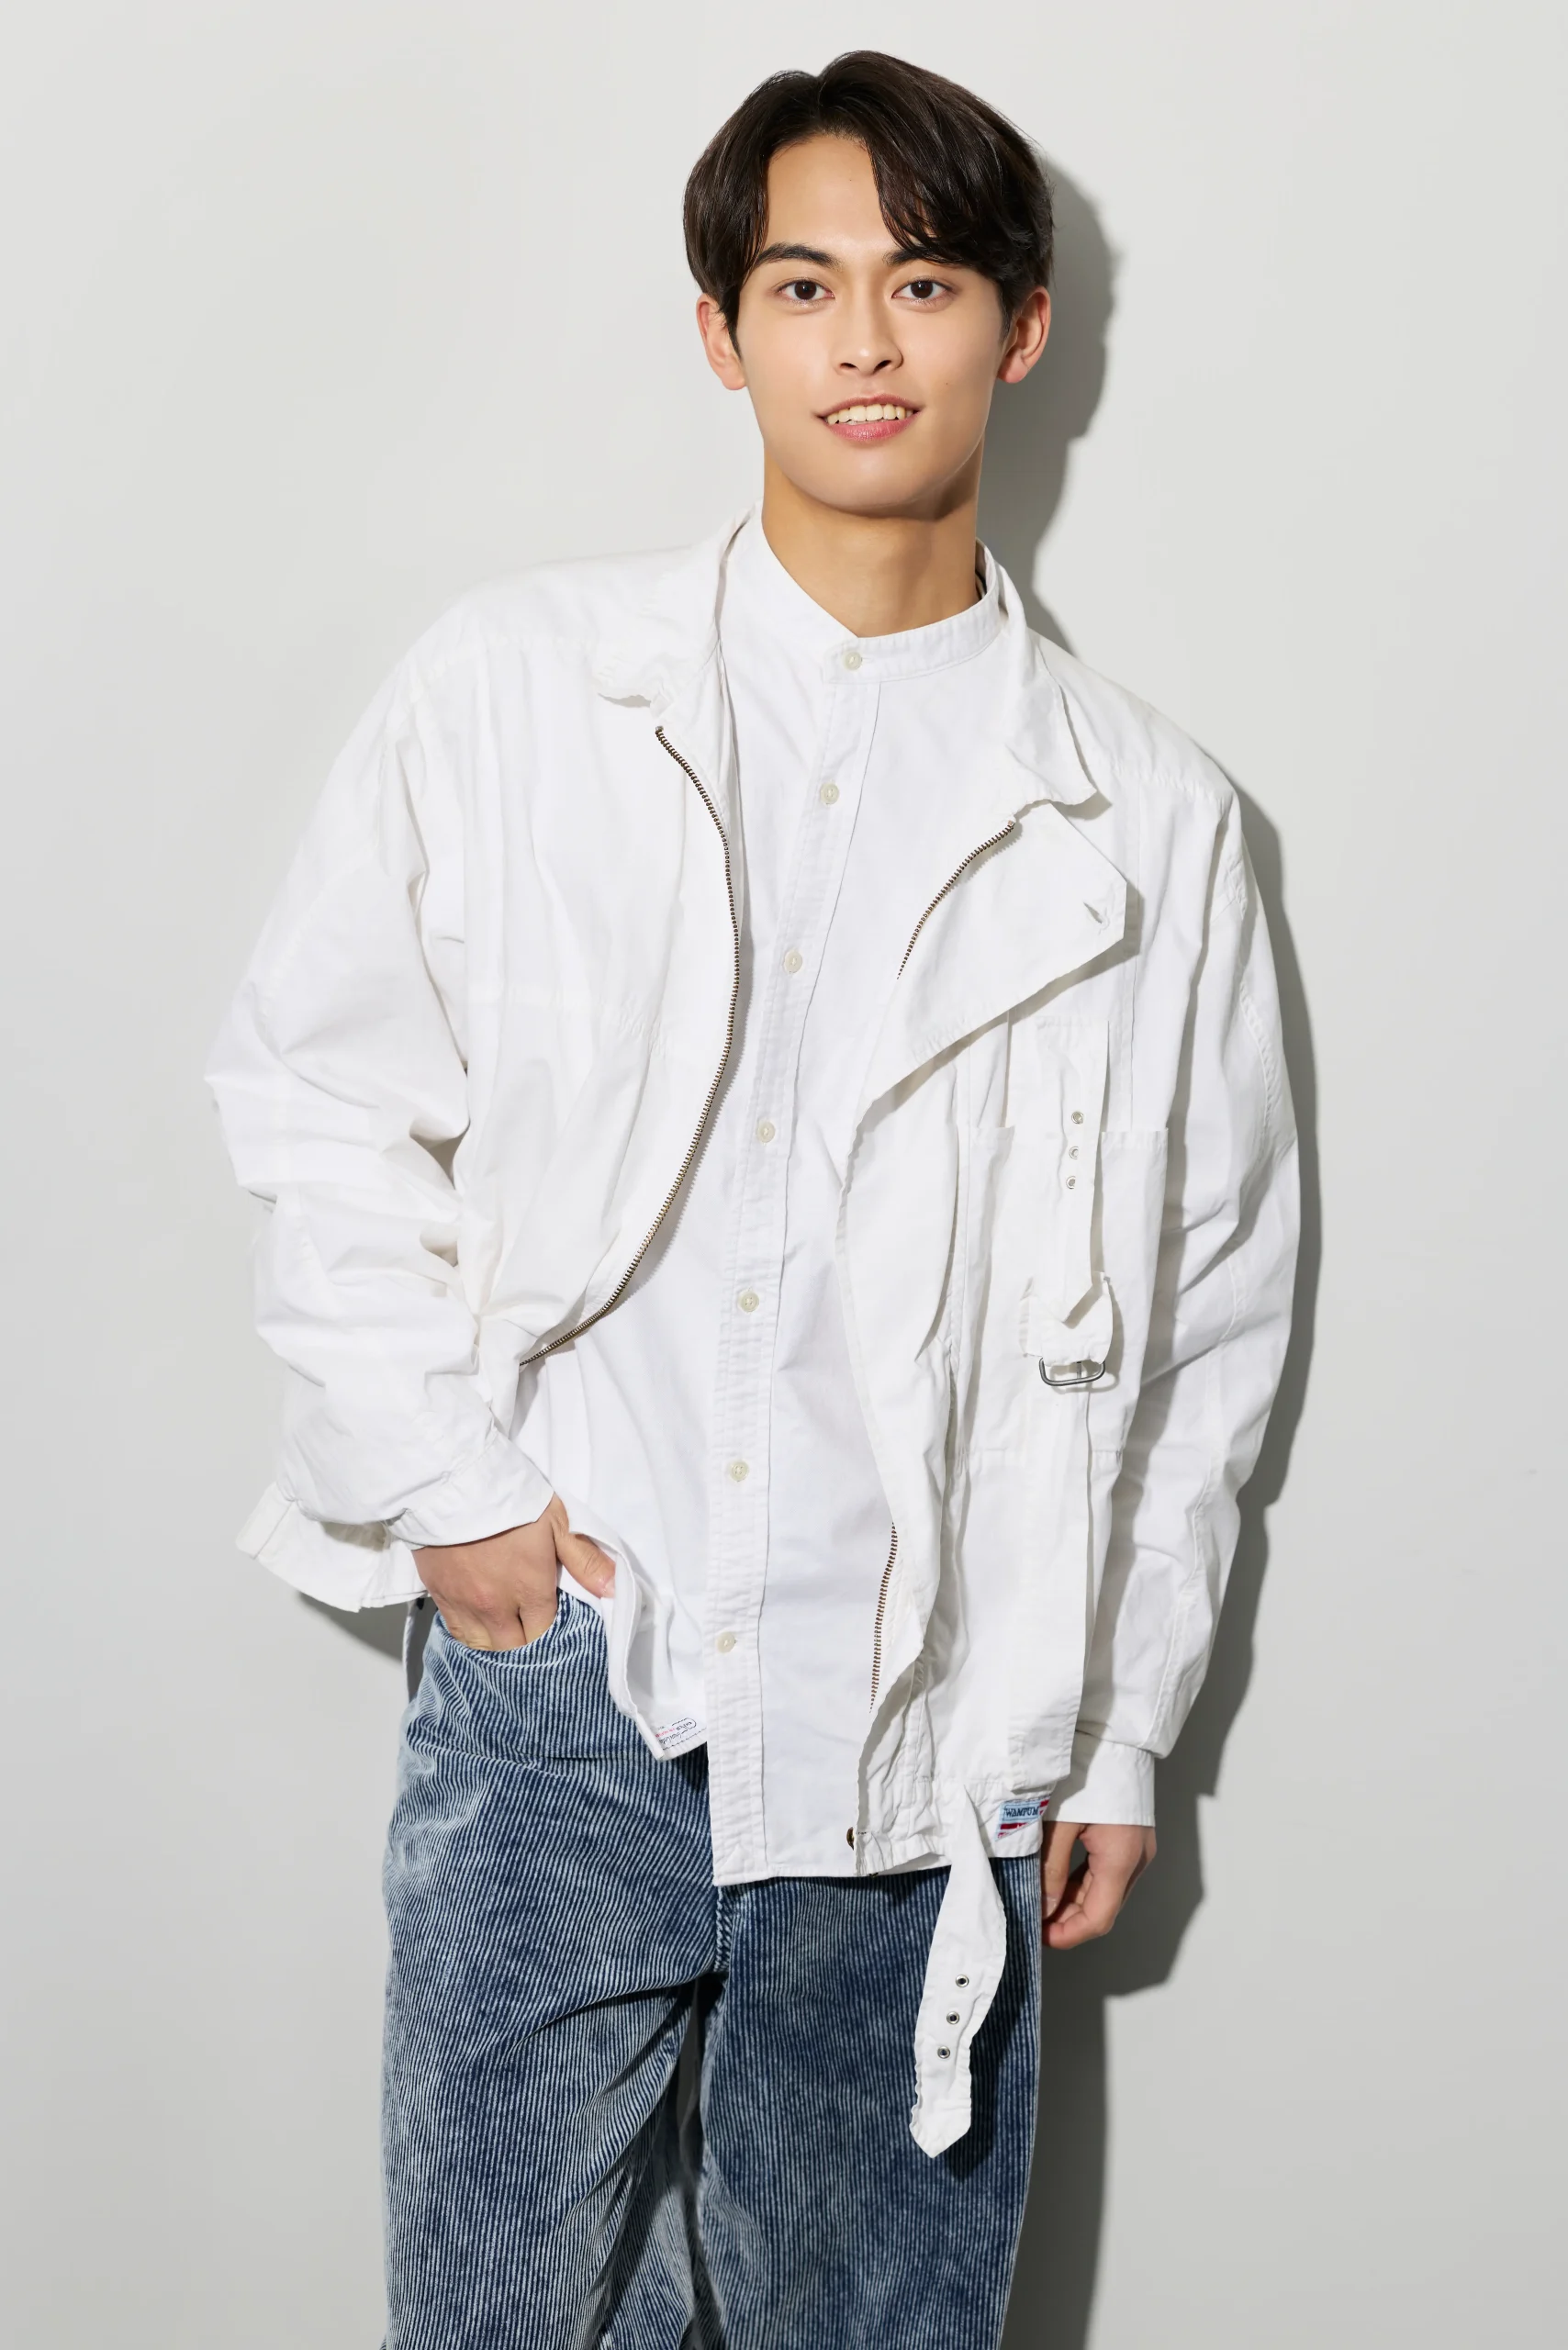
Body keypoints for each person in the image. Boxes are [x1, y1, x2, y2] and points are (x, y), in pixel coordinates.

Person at [208, 49, 1298, 2350]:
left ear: (1018, 326)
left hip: (935, 1732)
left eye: (923, 283)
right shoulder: (518, 691)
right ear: (720, 333)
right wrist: (452, 1497)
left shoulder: (1151, 819)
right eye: (803, 286)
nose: (862, 342)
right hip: (571, 1688)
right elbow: (315, 1091)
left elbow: (1207, 1317)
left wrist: (1117, 1722)